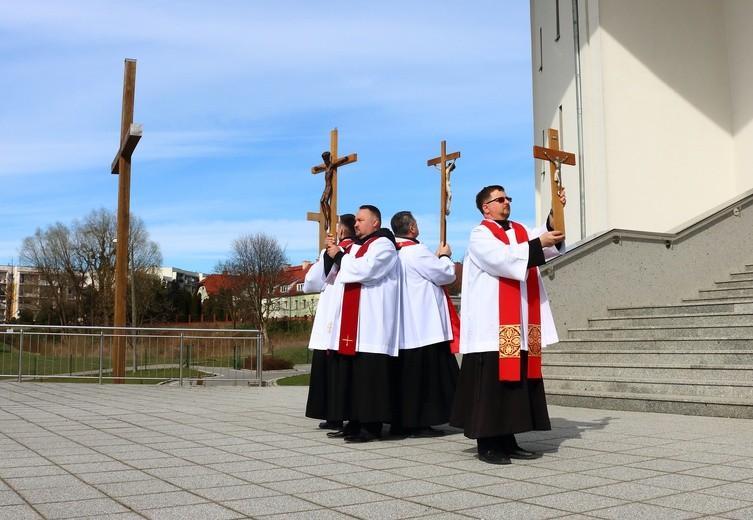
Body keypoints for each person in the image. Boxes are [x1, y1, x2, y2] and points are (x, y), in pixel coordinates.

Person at [449, 185, 566, 465]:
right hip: (491, 325)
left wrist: (555, 213)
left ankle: (508, 439)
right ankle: (487, 443)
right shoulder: (480, 234)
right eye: (499, 199)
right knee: (491, 386)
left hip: (519, 324)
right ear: (485, 207)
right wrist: (540, 243)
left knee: (514, 388)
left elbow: (545, 239)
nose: (506, 202)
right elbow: (502, 259)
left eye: (508, 198)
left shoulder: (520, 231)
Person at [324, 204, 400, 443]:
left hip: (373, 323)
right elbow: (337, 275)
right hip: (353, 321)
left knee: (370, 377)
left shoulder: (384, 245)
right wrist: (333, 255)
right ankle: (354, 421)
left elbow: (367, 271)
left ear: (375, 222)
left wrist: (339, 255)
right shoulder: (356, 247)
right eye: (355, 220)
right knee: (352, 376)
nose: (355, 224)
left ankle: (371, 427)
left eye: (360, 220)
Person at [390, 211, 459, 437]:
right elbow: (445, 275)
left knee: (406, 378)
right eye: (416, 223)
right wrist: (444, 256)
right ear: (411, 229)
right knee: (426, 379)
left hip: (401, 325)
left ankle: (402, 421)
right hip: (424, 324)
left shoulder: (391, 252)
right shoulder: (417, 251)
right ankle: (421, 421)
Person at [303, 213, 356, 430]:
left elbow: (310, 283)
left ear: (341, 231)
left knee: (331, 369)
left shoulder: (335, 252)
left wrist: (325, 254)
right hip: (351, 315)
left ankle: (334, 415)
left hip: (332, 315)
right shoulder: (360, 251)